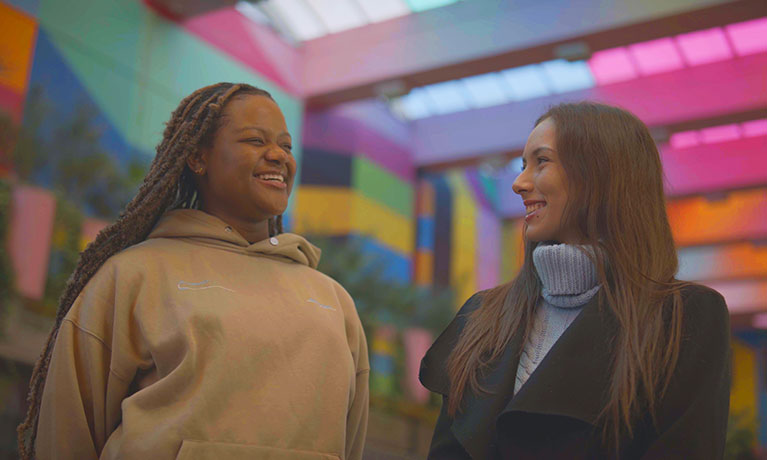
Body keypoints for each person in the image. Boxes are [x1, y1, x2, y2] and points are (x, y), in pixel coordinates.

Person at [17, 82, 369, 460]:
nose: (278, 156)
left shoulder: (334, 301)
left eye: (285, 146)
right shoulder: (132, 275)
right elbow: (67, 434)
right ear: (198, 158)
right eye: (254, 140)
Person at [419, 102, 731, 459]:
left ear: (601, 173)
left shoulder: (683, 316)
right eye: (523, 166)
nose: (520, 183)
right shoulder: (481, 315)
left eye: (542, 161)